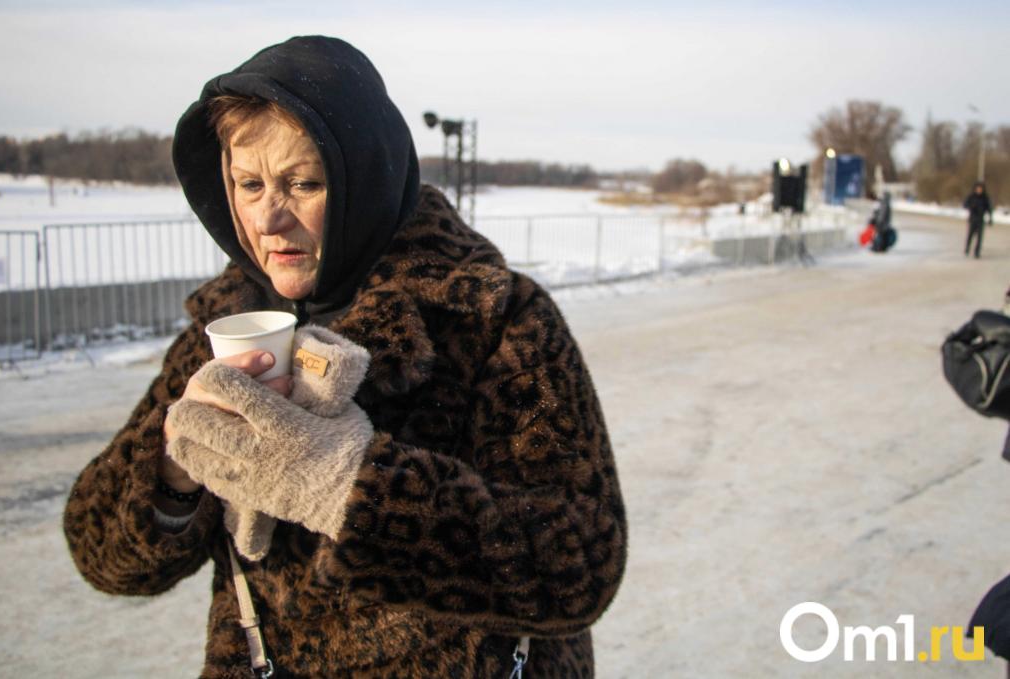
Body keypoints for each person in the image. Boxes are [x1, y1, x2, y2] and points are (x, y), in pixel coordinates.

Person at [63, 36, 627, 678]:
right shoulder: (226, 332)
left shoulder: (491, 316)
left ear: (367, 177)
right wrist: (172, 467)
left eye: (302, 183)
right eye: (248, 184)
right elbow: (102, 557)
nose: (268, 219)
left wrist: (349, 485)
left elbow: (581, 564)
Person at [963, 181, 994, 258]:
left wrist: (990, 218)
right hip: (972, 218)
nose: (979, 190)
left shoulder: (985, 198)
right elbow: (965, 204)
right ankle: (967, 247)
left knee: (979, 237)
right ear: (975, 189)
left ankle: (977, 252)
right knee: (970, 235)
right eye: (978, 188)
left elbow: (989, 208)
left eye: (980, 188)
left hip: (980, 219)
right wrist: (971, 206)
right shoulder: (971, 196)